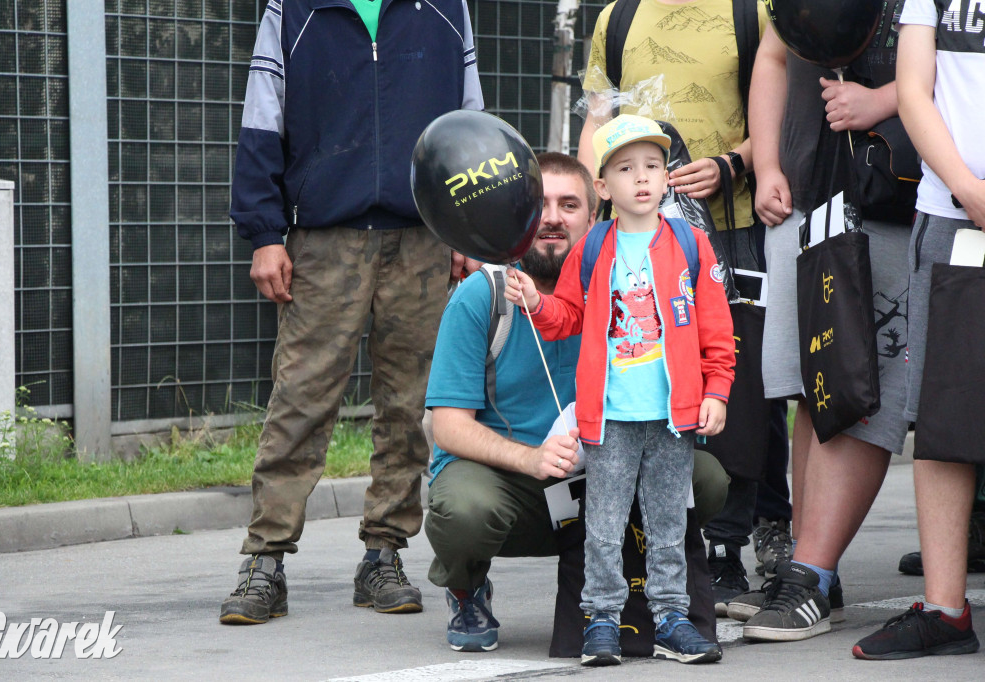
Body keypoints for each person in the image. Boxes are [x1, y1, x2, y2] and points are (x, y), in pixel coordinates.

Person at [218, 0, 483, 625]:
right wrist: (263, 232)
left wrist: (466, 227)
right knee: (301, 399)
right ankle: (265, 561)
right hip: (323, 240)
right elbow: (261, 120)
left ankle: (383, 556)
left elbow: (470, 125)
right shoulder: (291, 9)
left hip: (424, 239)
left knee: (410, 405)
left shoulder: (448, 8)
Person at [424, 152, 730, 654]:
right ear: (518, 213)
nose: (552, 218)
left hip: (609, 461)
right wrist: (531, 459)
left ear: (595, 217)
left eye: (569, 205)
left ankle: (662, 605)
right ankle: (466, 585)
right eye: (538, 204)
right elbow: (448, 429)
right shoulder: (484, 295)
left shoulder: (631, 278)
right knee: (464, 511)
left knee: (707, 478)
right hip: (517, 483)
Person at [576, 0, 794, 612]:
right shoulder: (616, 17)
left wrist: (734, 164)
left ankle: (758, 531)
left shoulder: (753, 10)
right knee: (650, 365)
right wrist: (595, 198)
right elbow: (596, 123)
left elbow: (779, 111)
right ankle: (701, 546)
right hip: (635, 232)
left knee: (746, 381)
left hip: (731, 221)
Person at [506, 116, 734, 665]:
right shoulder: (593, 248)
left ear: (666, 177)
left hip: (672, 417)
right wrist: (536, 304)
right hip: (606, 418)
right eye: (626, 169)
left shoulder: (690, 242)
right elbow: (566, 317)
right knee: (603, 528)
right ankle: (601, 622)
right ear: (603, 187)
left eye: (652, 167)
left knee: (668, 524)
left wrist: (717, 390)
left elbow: (715, 326)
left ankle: (673, 619)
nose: (641, 179)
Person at [738, 0, 913, 642]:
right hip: (808, 195)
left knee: (858, 390)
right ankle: (814, 576)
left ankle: (809, 573)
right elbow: (774, 53)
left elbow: (960, 62)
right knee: (814, 392)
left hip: (895, 195)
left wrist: (887, 99)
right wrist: (767, 163)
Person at [851, 0, 985, 659]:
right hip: (949, 215)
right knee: (944, 416)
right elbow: (913, 88)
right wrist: (968, 188)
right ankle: (945, 609)